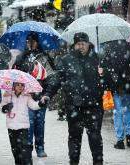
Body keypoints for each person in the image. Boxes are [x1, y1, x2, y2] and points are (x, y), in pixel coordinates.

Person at [42, 32, 108, 165]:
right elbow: (57, 79)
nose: (81, 46)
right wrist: (48, 94)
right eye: (79, 44)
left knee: (95, 137)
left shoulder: (98, 59)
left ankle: (98, 162)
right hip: (73, 106)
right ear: (74, 45)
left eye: (84, 44)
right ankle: (74, 161)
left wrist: (103, 74)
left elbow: (109, 82)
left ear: (89, 44)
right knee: (74, 138)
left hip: (94, 105)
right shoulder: (66, 60)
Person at [13, 32, 55, 157]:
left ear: (37, 42)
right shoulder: (21, 58)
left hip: (41, 96)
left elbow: (51, 77)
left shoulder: (44, 57)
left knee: (39, 123)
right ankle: (27, 147)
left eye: (33, 41)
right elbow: (15, 76)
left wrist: (47, 93)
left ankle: (40, 147)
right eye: (28, 41)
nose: (30, 44)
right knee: (28, 123)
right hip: (27, 96)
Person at [102, 40, 130, 149]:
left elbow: (106, 70)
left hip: (116, 87)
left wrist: (107, 83)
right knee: (127, 110)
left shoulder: (109, 50)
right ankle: (129, 136)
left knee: (118, 112)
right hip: (128, 87)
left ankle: (120, 140)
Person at [1, 82, 49, 165]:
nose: (20, 87)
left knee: (25, 149)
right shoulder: (7, 95)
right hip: (11, 126)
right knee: (15, 149)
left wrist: (41, 103)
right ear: (14, 86)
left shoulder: (27, 96)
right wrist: (6, 108)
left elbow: (34, 105)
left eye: (22, 85)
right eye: (18, 85)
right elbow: (2, 108)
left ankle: (28, 163)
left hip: (23, 126)